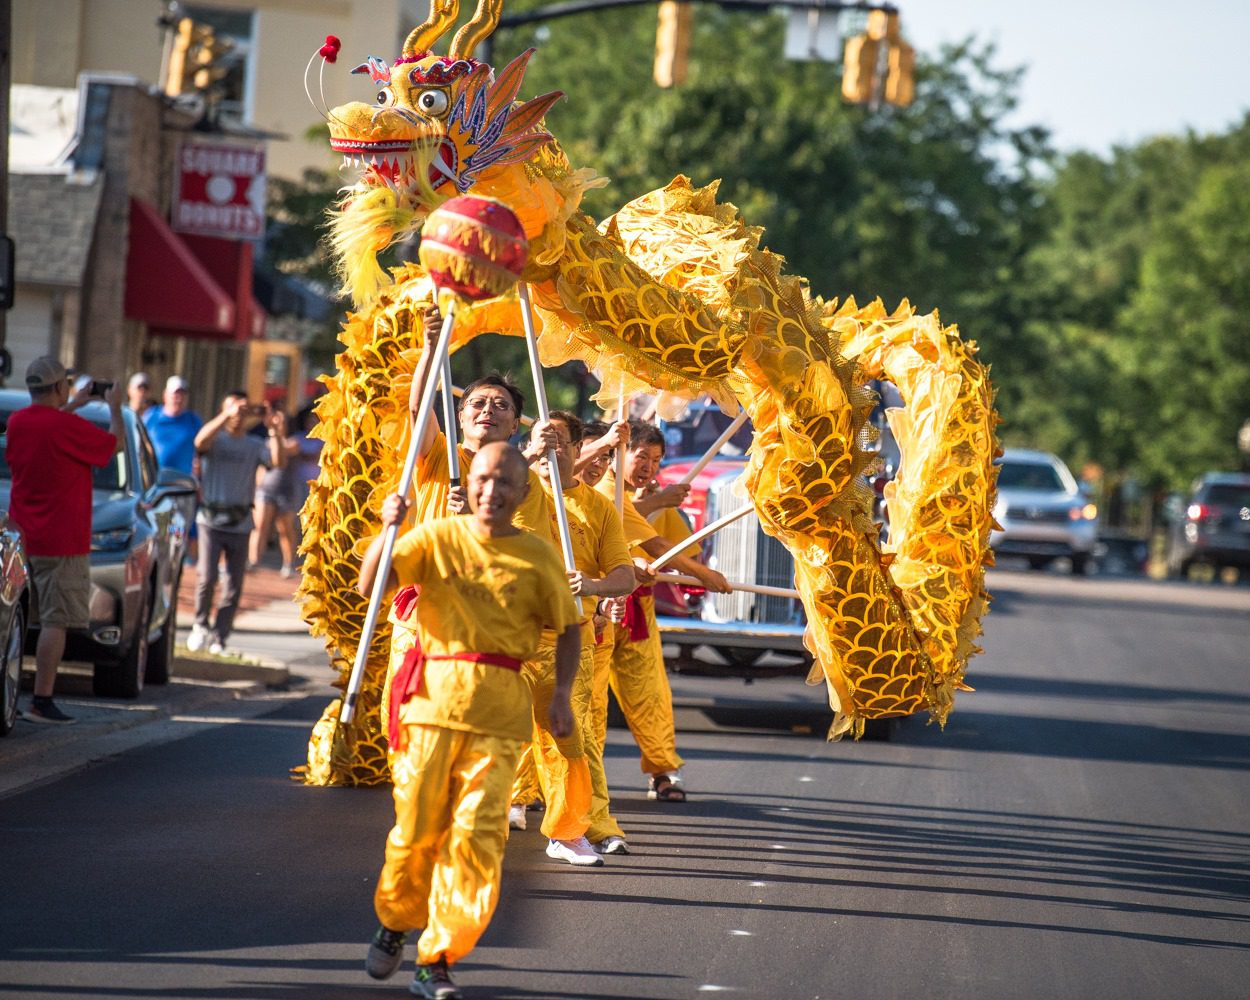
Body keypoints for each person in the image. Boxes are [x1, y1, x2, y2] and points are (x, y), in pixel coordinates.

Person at [357, 443, 581, 1000]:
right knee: (416, 833)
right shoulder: (435, 537)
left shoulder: (539, 555)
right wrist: (389, 530)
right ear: (469, 479)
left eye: (505, 482)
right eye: (483, 478)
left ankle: (437, 958)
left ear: (523, 492)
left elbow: (569, 625)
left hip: (500, 713)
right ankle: (395, 921)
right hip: (429, 707)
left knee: (479, 840)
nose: (492, 490)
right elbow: (371, 587)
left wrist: (561, 695)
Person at [514, 410, 635, 858]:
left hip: (567, 640)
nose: (548, 449)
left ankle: (574, 829)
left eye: (558, 441)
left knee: (572, 737)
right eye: (540, 439)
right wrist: (527, 453)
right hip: (506, 636)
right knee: (489, 732)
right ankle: (491, 811)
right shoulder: (515, 487)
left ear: (578, 447)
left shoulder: (599, 506)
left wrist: (596, 587)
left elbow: (624, 574)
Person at [594, 420, 731, 802]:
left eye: (656, 460)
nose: (648, 467)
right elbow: (650, 542)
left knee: (651, 694)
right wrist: (705, 574)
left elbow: (675, 550)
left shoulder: (657, 498)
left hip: (639, 611)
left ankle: (663, 771)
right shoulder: (599, 490)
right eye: (641, 457)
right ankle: (548, 789)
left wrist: (699, 575)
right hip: (596, 613)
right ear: (615, 455)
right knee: (586, 701)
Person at [5, 357, 124, 723]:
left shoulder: (18, 422)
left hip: (25, 537)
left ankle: (16, 695)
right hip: (62, 541)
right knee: (56, 621)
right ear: (59, 387)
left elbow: (47, 423)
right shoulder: (66, 426)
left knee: (16, 622)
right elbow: (113, 446)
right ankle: (42, 699)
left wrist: (74, 404)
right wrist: (114, 407)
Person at [188, 393, 284, 655]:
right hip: (210, 520)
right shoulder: (215, 439)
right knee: (206, 577)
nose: (238, 415)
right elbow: (199, 441)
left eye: (242, 410)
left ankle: (220, 636)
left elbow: (278, 461)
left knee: (233, 584)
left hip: (240, 521)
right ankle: (200, 625)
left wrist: (275, 431)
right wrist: (225, 414)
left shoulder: (253, 444)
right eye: (234, 409)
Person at [248, 411, 301, 577]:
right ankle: (253, 561)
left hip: (286, 490)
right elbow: (261, 467)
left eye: (282, 421)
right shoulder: (264, 443)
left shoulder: (293, 442)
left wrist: (275, 434)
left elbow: (282, 452)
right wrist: (257, 487)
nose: (278, 424)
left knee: (284, 528)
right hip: (265, 490)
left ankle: (288, 563)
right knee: (259, 526)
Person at [143, 376, 202, 475]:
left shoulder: (193, 420)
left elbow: (200, 450)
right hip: (155, 478)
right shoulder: (151, 416)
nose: (179, 399)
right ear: (165, 395)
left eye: (182, 395)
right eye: (175, 395)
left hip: (183, 481)